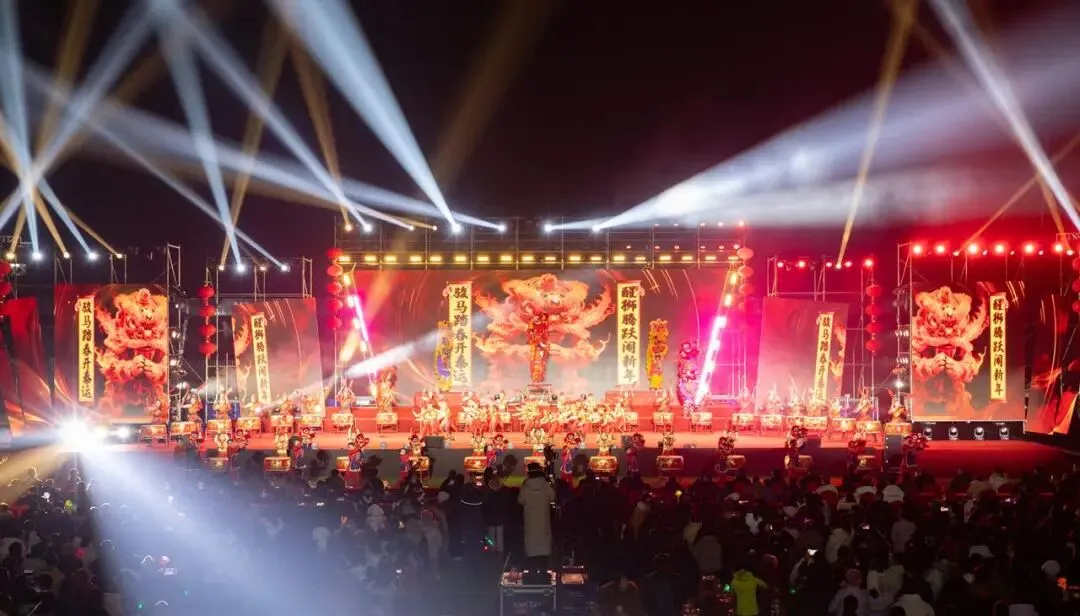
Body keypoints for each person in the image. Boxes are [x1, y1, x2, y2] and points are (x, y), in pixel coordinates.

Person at [518, 462, 555, 571]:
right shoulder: (545, 485)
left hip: (530, 521)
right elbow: (553, 496)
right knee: (543, 544)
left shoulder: (525, 486)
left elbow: (520, 500)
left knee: (532, 545)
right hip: (544, 520)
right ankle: (543, 571)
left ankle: (532, 571)